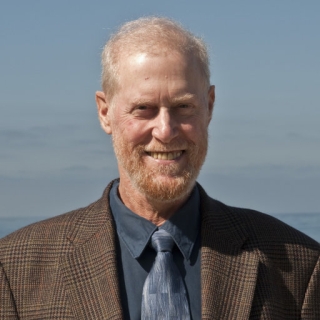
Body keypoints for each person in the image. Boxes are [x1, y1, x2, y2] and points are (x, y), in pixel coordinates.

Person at [0, 17, 319, 320]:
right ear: (105, 112)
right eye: (144, 109)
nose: (165, 130)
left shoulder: (299, 264)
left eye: (183, 107)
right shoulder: (14, 269)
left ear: (209, 106)